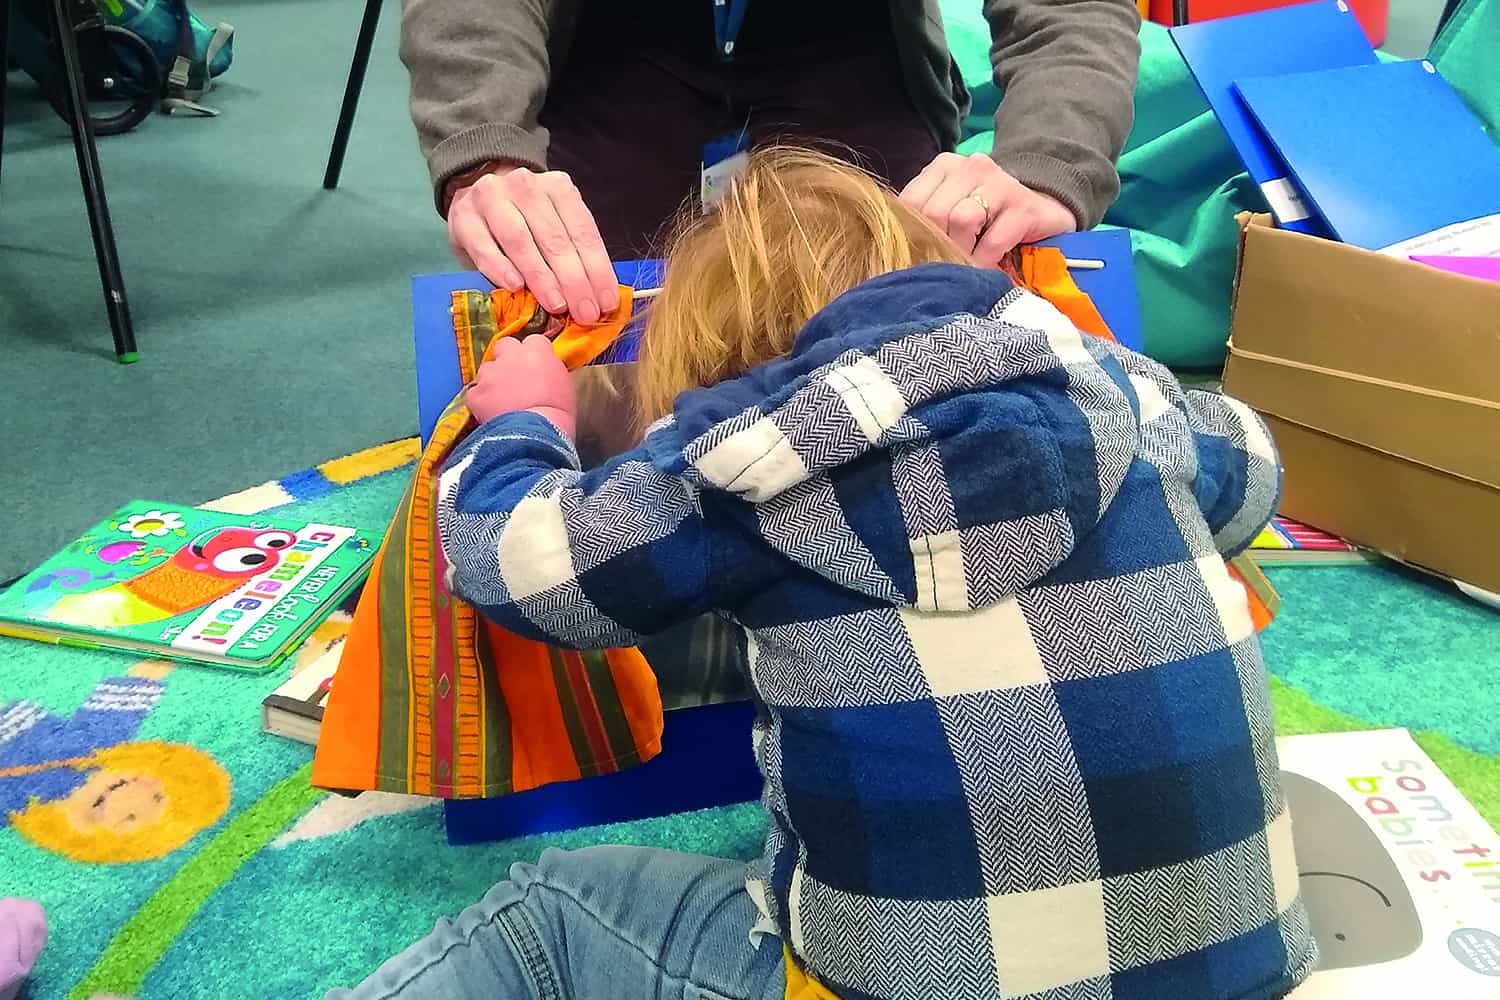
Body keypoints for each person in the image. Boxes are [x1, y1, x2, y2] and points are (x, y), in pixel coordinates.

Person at [329, 148, 1316, 1000]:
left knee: (543, 912)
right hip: (1243, 970)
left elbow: (513, 566)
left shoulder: (753, 460)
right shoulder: (1133, 403)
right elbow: (1258, 470)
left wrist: (526, 422)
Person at [400, 0, 1142, 324]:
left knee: (900, 303)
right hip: (617, 27)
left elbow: (1070, 7)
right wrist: (483, 149)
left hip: (840, 27)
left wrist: (1049, 162)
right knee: (580, 303)